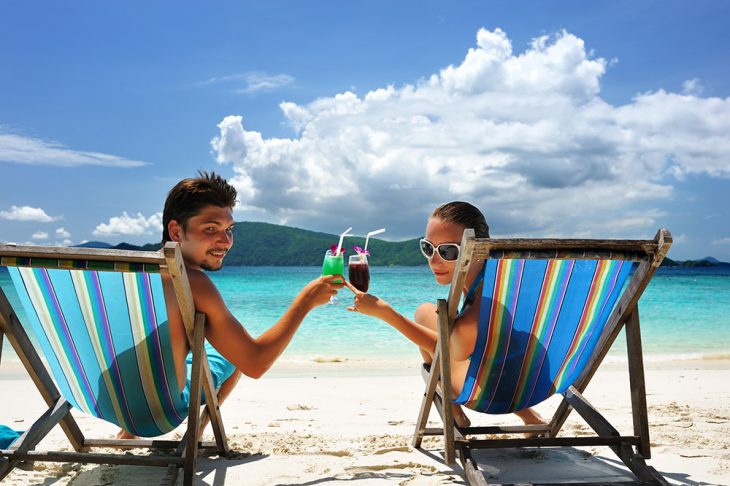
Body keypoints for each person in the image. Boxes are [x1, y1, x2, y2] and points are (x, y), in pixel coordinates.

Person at [117, 171, 344, 439]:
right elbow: (255, 363)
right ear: (177, 231)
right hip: (160, 411)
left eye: (229, 230)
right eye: (211, 229)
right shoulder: (193, 283)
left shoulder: (119, 276)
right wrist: (304, 302)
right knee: (231, 353)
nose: (225, 241)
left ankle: (126, 435)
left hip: (103, 399)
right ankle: (196, 434)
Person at [343, 201, 545, 429]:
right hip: (527, 384)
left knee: (432, 346)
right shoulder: (496, 279)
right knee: (425, 312)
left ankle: (453, 408)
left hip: (491, 394)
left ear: (480, 248)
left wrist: (386, 313)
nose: (433, 260)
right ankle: (529, 417)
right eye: (428, 247)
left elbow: (448, 353)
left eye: (448, 251)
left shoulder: (486, 298)